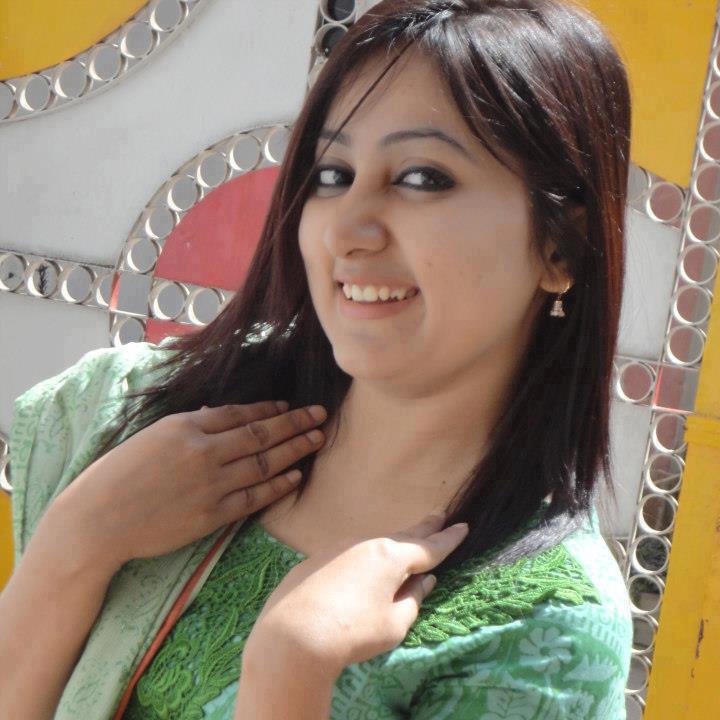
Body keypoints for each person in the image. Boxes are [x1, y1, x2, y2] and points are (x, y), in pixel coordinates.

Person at [0, 0, 634, 718]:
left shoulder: (547, 628)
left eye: (422, 177)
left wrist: (292, 668)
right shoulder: (150, 422)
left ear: (560, 246)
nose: (348, 229)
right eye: (333, 173)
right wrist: (80, 541)